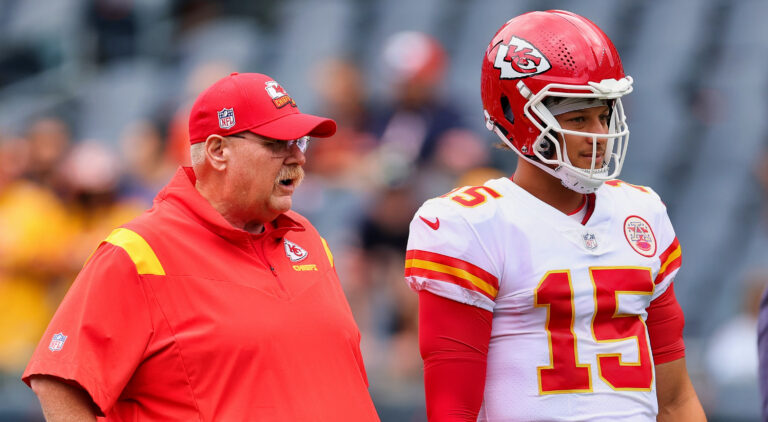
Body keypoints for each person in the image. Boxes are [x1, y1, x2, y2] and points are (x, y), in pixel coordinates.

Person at [22, 72, 380, 421]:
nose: (298, 157)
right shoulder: (140, 251)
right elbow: (59, 380)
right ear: (218, 150)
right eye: (277, 144)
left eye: (300, 143)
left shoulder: (309, 239)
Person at [404, 10, 706, 421]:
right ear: (517, 117)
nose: (599, 135)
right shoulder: (471, 224)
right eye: (579, 117)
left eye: (604, 115)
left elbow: (676, 400)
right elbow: (452, 410)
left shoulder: (641, 212)